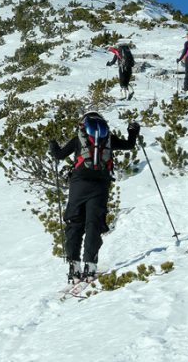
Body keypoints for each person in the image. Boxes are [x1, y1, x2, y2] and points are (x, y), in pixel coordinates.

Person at [49, 112, 140, 282]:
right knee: (93, 224)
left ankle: (73, 266)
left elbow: (59, 155)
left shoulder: (79, 139)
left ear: (84, 125)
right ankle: (90, 266)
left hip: (79, 184)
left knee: (75, 222)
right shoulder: (109, 139)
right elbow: (129, 145)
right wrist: (133, 131)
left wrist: (52, 144)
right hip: (101, 184)